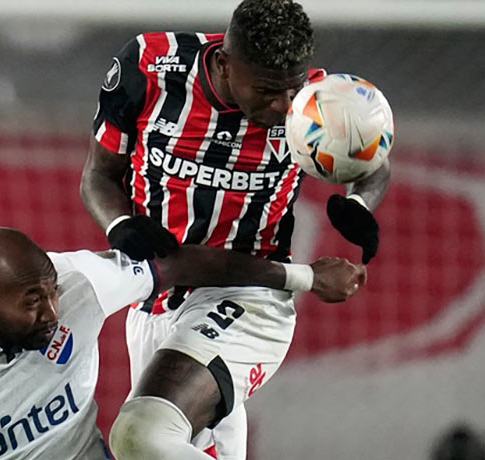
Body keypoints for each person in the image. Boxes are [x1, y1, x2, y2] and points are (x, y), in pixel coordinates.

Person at [80, 0, 391, 458]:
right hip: (153, 301)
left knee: (141, 433)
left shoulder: (319, 101)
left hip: (252, 297)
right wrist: (121, 224)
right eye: (267, 90)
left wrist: (361, 204)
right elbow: (98, 175)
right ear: (225, 63)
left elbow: (373, 161)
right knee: (165, 447)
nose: (283, 106)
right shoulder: (150, 66)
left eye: (292, 89)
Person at [0, 227, 364, 459]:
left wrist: (303, 277)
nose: (52, 310)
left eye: (50, 292)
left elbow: (179, 264)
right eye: (33, 301)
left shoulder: (81, 282)